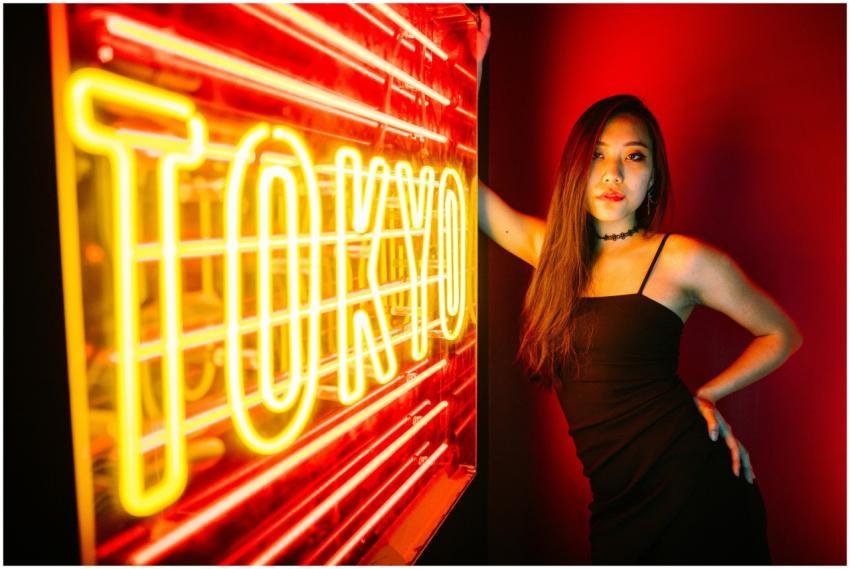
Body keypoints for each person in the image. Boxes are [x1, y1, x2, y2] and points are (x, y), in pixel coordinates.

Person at [475, 8, 802, 564]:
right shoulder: (551, 251)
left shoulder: (682, 260)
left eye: (633, 157)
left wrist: (709, 394)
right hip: (616, 510)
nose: (613, 174)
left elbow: (781, 334)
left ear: (652, 178)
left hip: (694, 494)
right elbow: (465, 190)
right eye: (598, 155)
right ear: (578, 168)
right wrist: (472, 70)